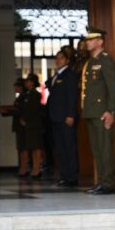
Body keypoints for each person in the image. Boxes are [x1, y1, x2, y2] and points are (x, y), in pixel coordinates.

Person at [80, 27, 115, 195]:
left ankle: (108, 183)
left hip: (102, 112)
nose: (87, 43)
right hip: (91, 112)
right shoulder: (90, 62)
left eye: (91, 40)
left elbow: (113, 88)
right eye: (87, 40)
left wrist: (111, 111)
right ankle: (101, 181)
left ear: (100, 42)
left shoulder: (105, 61)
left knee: (105, 149)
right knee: (97, 149)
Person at [46, 46, 80, 188]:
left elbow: (72, 97)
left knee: (69, 147)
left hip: (66, 117)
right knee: (60, 148)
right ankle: (65, 176)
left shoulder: (69, 75)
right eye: (56, 58)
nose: (58, 60)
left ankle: (72, 177)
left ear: (67, 60)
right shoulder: (57, 76)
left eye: (61, 58)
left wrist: (70, 115)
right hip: (56, 117)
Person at [18, 73, 46, 179]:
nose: (26, 83)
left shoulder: (36, 94)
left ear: (33, 83)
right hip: (29, 125)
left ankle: (37, 168)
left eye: (29, 81)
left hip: (34, 124)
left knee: (36, 147)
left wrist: (25, 119)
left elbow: (33, 109)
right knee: (32, 147)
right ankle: (34, 168)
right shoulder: (27, 95)